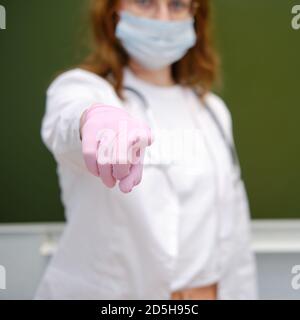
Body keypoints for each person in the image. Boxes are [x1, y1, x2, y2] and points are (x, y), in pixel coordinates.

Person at [34, 0, 258, 300]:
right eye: (145, 2)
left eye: (177, 5)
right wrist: (91, 119)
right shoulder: (86, 90)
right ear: (114, 11)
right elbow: (65, 121)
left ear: (194, 15)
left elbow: (235, 233)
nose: (163, 18)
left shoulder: (212, 111)